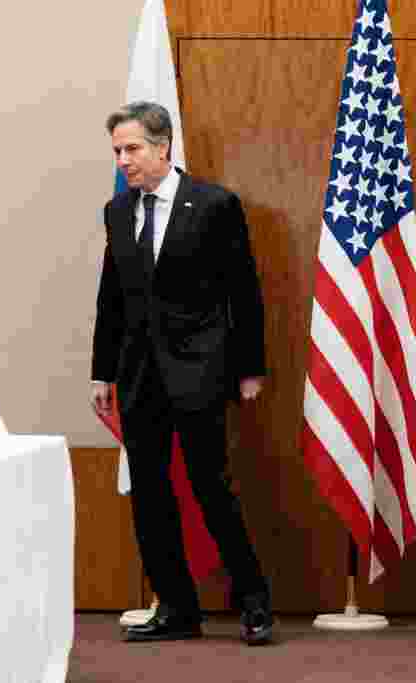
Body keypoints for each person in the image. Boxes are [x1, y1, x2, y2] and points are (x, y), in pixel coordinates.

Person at [91, 101, 273, 644]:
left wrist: (249, 368)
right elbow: (111, 299)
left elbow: (244, 291)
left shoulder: (214, 204)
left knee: (210, 488)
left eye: (132, 149)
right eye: (118, 151)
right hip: (139, 375)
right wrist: (103, 374)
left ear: (163, 147)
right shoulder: (117, 211)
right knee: (150, 495)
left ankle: (255, 603)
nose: (124, 160)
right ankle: (177, 609)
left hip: (199, 371)